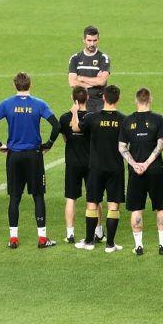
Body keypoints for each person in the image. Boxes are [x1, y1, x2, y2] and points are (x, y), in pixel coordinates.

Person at [0, 72, 60, 249]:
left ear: (15, 86)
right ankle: (42, 239)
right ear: (30, 84)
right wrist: (48, 144)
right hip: (34, 155)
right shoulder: (39, 104)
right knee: (38, 196)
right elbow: (56, 125)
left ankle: (13, 239)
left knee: (15, 197)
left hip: (14, 156)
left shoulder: (6, 104)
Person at [70, 85, 125, 252]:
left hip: (96, 168)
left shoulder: (92, 117)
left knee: (92, 203)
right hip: (116, 168)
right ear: (118, 99)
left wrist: (74, 112)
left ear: (103, 98)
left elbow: (75, 128)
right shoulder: (124, 119)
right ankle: (110, 244)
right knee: (113, 205)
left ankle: (89, 242)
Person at [119, 88, 163, 256]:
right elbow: (161, 144)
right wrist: (148, 163)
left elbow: (122, 147)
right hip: (156, 170)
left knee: (136, 208)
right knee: (161, 207)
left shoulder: (127, 121)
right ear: (150, 99)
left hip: (136, 172)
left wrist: (135, 165)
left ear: (136, 100)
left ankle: (139, 247)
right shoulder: (158, 119)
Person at [59, 86, 103, 243]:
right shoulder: (94, 118)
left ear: (73, 98)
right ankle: (98, 232)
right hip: (91, 162)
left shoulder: (64, 118)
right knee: (95, 198)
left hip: (72, 162)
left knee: (71, 198)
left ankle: (70, 234)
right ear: (88, 98)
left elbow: (65, 138)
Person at [68, 26, 111, 112]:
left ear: (98, 40)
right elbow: (72, 82)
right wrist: (94, 82)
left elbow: (101, 82)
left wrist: (81, 78)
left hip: (99, 103)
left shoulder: (104, 58)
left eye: (95, 40)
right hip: (81, 102)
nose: (92, 44)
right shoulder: (75, 59)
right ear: (83, 40)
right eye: (89, 40)